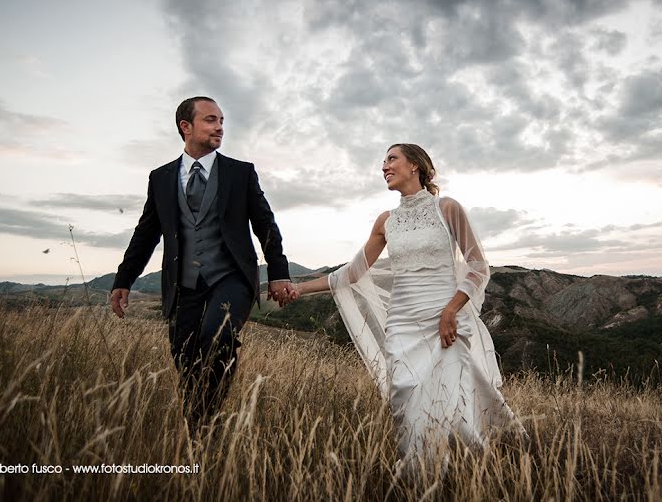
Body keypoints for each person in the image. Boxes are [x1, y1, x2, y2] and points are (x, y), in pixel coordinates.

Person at [291, 143, 521, 473]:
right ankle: (422, 475)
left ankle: (471, 466)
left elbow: (477, 266)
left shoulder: (447, 208)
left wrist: (451, 310)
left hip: (445, 320)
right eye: (383, 161)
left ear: (415, 165)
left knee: (446, 398)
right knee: (405, 393)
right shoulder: (386, 221)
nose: (384, 166)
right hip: (401, 324)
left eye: (391, 159)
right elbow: (353, 272)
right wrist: (299, 288)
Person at [110, 96, 296, 431]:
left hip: (232, 277)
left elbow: (265, 224)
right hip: (183, 282)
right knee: (183, 353)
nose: (220, 127)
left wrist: (279, 273)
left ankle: (205, 423)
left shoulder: (240, 173)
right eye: (211, 120)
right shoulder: (161, 178)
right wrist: (124, 279)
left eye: (222, 120)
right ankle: (197, 424)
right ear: (186, 127)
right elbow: (146, 233)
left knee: (216, 337)